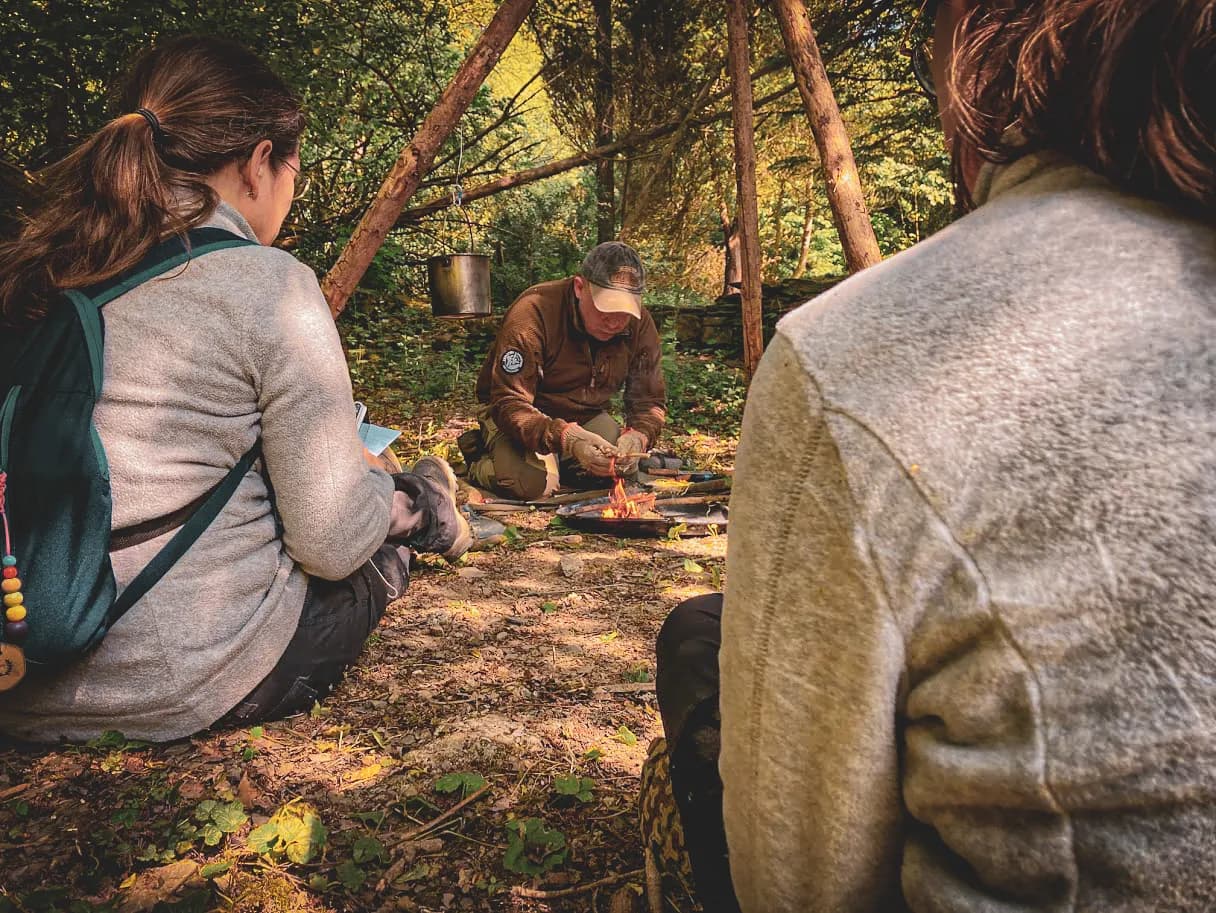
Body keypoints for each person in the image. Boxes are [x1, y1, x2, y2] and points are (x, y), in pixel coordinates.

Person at [651, 1, 1216, 911]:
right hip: (562, 437)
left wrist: (636, 425)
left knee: (697, 643)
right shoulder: (536, 316)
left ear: (977, 53)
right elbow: (518, 398)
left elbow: (795, 885)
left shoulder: (850, 354)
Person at [0, 36, 471, 743]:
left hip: (20, 674)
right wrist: (385, 504)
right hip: (178, 682)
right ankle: (427, 506)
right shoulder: (268, 284)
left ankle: (419, 497)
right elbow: (330, 539)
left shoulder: (39, 266)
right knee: (376, 551)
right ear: (257, 163)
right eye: (293, 173)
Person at [462, 241, 667, 500]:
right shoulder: (534, 310)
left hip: (584, 414)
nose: (615, 321)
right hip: (518, 413)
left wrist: (638, 436)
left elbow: (649, 401)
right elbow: (508, 403)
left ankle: (561, 464)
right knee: (531, 485)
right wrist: (568, 439)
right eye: (606, 308)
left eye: (624, 312)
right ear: (580, 288)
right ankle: (478, 457)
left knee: (619, 469)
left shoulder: (640, 325)